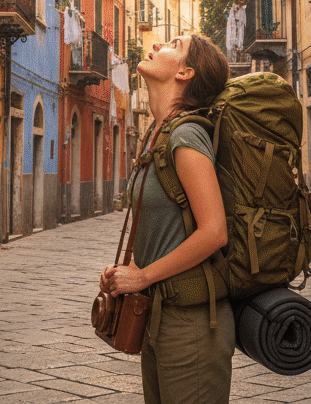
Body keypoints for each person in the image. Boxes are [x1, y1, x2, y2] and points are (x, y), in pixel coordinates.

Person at [101, 33, 233, 404]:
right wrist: (127, 272)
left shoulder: (186, 135)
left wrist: (142, 276)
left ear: (186, 72)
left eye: (173, 44)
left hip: (191, 323)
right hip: (158, 314)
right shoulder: (157, 136)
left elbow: (214, 232)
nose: (157, 45)